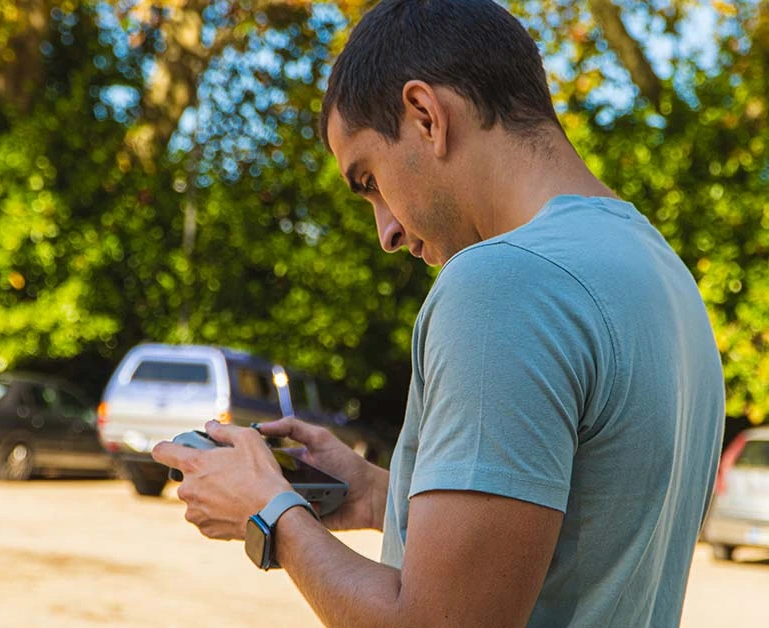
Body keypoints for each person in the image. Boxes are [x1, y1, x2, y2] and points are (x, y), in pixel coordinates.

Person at [153, 0, 726, 625]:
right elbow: (579, 525)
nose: (387, 232)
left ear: (426, 116)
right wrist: (381, 494)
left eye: (369, 180)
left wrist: (269, 512)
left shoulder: (503, 283)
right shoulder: (659, 272)